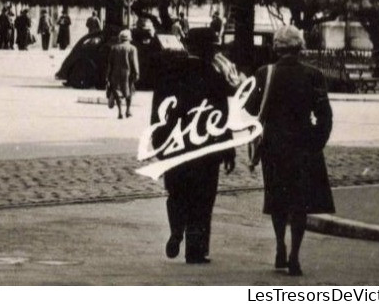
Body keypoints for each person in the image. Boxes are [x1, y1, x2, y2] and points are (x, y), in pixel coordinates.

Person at [245, 25, 334, 278]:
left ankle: (279, 246)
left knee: (277, 200)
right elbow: (324, 115)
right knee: (300, 203)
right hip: (304, 146)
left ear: (276, 47)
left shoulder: (265, 73)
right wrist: (317, 141)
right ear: (300, 47)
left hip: (274, 146)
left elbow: (252, 109)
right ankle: (295, 253)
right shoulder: (313, 75)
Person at [154, 29, 235, 264]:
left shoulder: (169, 72)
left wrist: (158, 143)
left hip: (175, 145)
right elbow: (221, 116)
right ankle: (196, 250)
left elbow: (158, 111)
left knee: (176, 192)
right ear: (207, 49)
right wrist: (228, 149)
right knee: (203, 198)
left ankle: (177, 228)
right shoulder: (213, 74)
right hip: (205, 148)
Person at [106, 29, 139, 119]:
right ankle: (128, 110)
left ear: (120, 38)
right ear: (129, 39)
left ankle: (120, 112)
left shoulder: (114, 48)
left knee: (117, 92)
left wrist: (107, 76)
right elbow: (134, 62)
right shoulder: (132, 48)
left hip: (115, 74)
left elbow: (110, 64)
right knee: (129, 92)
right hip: (128, 74)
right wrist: (136, 73)